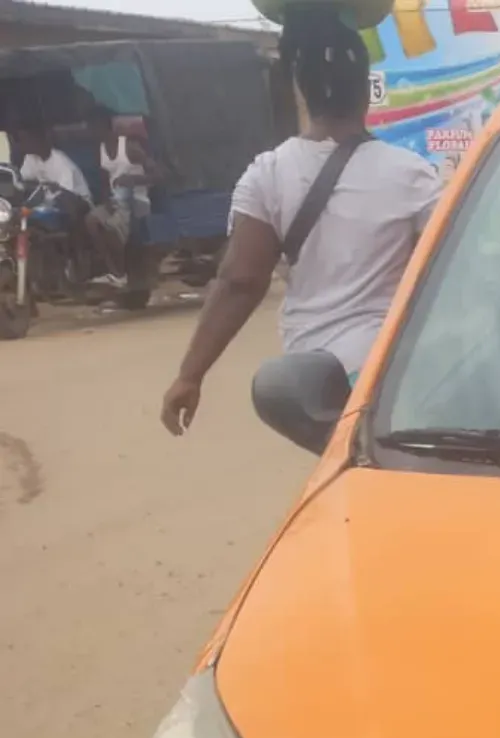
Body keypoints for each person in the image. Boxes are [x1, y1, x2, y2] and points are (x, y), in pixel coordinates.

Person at [160, 7, 441, 436]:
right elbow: (441, 278)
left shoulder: (268, 174)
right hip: (388, 377)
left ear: (302, 89)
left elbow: (240, 282)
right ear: (366, 90)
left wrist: (189, 375)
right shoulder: (411, 175)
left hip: (310, 387)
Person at [86, 106, 155, 288]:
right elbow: (104, 183)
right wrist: (106, 201)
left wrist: (133, 179)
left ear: (105, 127)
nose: (90, 131)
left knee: (111, 228)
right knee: (92, 222)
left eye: (93, 127)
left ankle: (120, 274)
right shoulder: (100, 149)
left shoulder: (129, 147)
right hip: (116, 202)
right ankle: (115, 271)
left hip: (137, 201)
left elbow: (159, 174)